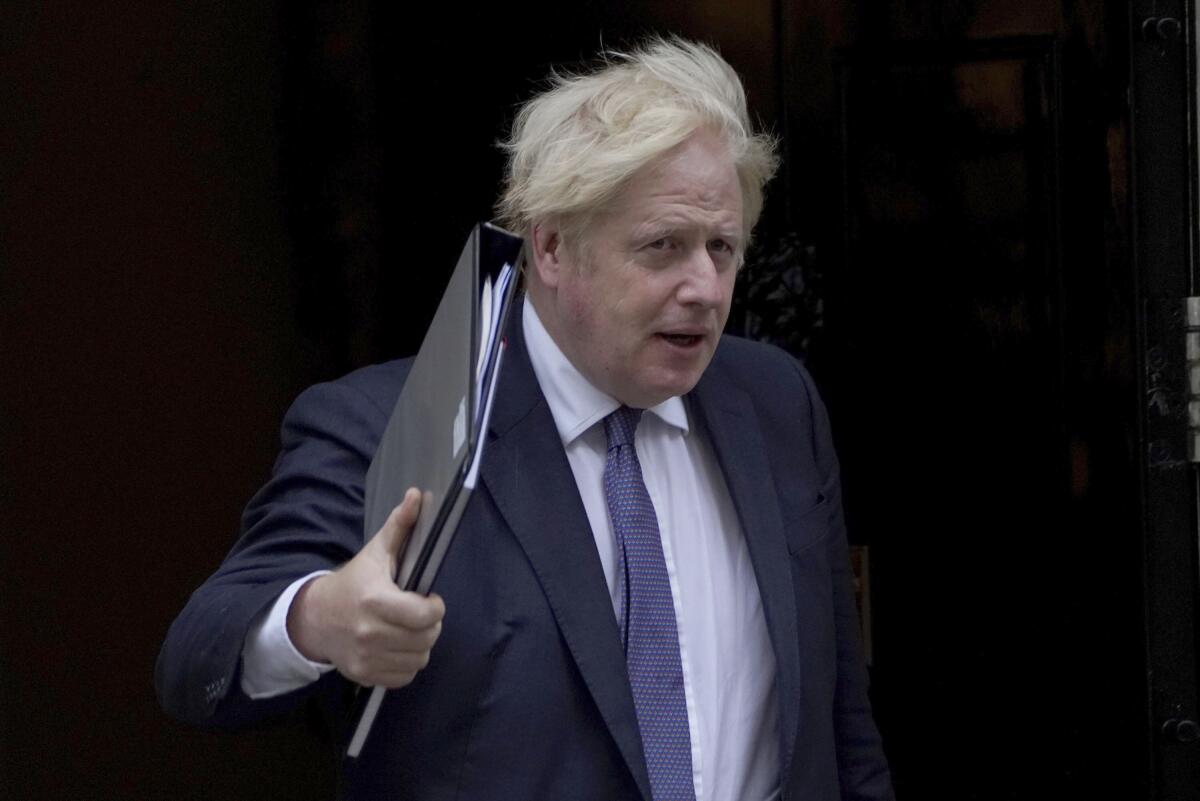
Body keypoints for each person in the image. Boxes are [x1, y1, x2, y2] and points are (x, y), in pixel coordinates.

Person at [157, 37, 894, 801]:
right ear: (550, 245)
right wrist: (317, 618)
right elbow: (196, 656)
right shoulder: (394, 419)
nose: (706, 287)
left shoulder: (775, 402)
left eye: (723, 247)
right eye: (663, 246)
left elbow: (842, 727)